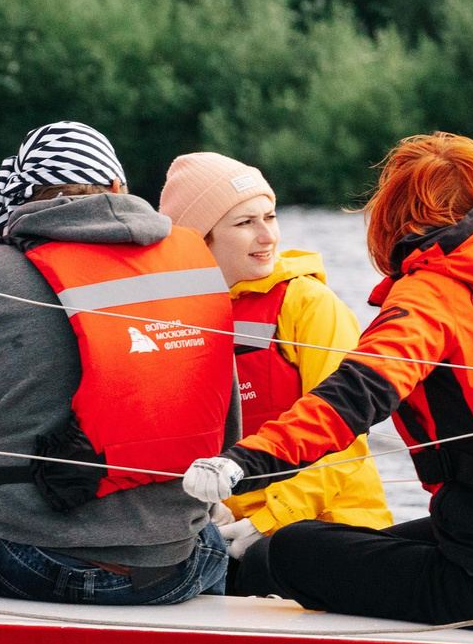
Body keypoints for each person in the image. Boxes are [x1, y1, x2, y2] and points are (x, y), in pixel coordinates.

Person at [182, 132, 473, 633]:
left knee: (290, 550)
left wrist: (242, 463)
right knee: (377, 543)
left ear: (397, 215)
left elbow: (356, 395)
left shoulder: (435, 291)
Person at [0, 121, 235, 605]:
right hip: (175, 566)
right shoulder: (194, 269)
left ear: (22, 194)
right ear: (118, 187)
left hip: (32, 564)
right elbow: (228, 429)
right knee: (210, 539)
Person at [158, 151, 391, 544]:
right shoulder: (172, 316)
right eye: (246, 223)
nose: (268, 237)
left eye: (270, 217)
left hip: (326, 527)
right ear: (198, 237)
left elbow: (346, 432)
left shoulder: (308, 304)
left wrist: (273, 518)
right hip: (219, 525)